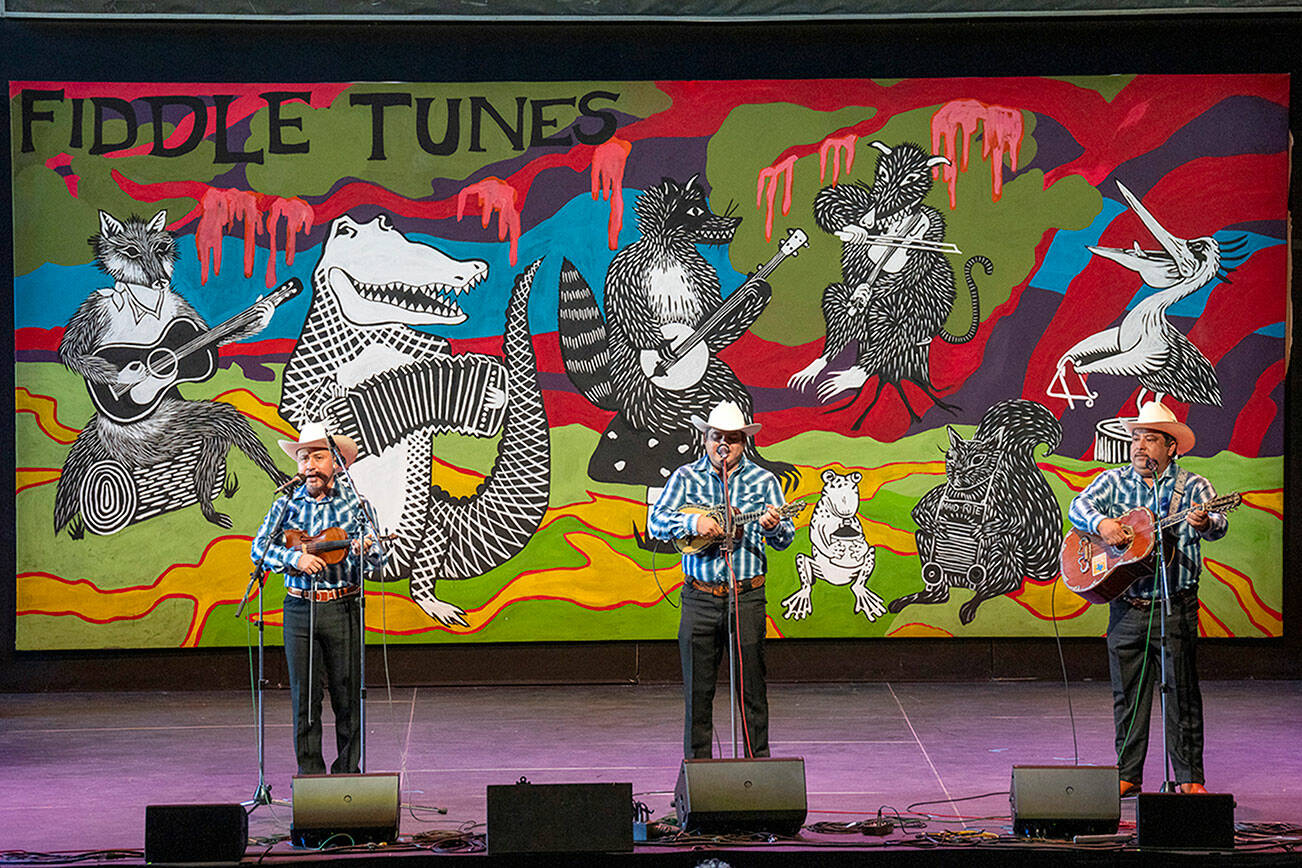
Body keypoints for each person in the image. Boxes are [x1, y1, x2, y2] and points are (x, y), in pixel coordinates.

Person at [1067, 401, 1228, 797]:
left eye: (1150, 439)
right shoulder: (1113, 481)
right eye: (1136, 438)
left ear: (1171, 447)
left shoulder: (1193, 487)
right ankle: (1128, 774)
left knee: (1181, 693)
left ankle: (1189, 778)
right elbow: (1077, 506)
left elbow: (1219, 526)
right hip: (1127, 607)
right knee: (1128, 695)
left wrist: (1206, 521)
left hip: (1174, 604)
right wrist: (1103, 523)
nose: (1139, 446)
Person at [648, 400, 795, 759]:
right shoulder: (685, 478)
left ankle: (758, 770)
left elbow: (786, 537)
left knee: (752, 691)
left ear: (744, 442)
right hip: (699, 598)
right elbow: (655, 522)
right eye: (717, 437)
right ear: (706, 439)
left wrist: (773, 526)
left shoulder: (764, 481)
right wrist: (693, 522)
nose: (723, 444)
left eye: (732, 438)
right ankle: (699, 774)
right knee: (697, 694)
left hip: (746, 597)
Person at [250, 422, 384, 775]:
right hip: (299, 607)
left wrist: (365, 550)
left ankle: (347, 776)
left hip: (343, 606)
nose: (309, 465)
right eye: (303, 458)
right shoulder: (285, 505)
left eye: (318, 457)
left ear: (337, 463)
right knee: (305, 698)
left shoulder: (357, 505)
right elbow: (258, 550)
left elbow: (379, 559)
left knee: (347, 696)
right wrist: (295, 559)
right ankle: (310, 778)